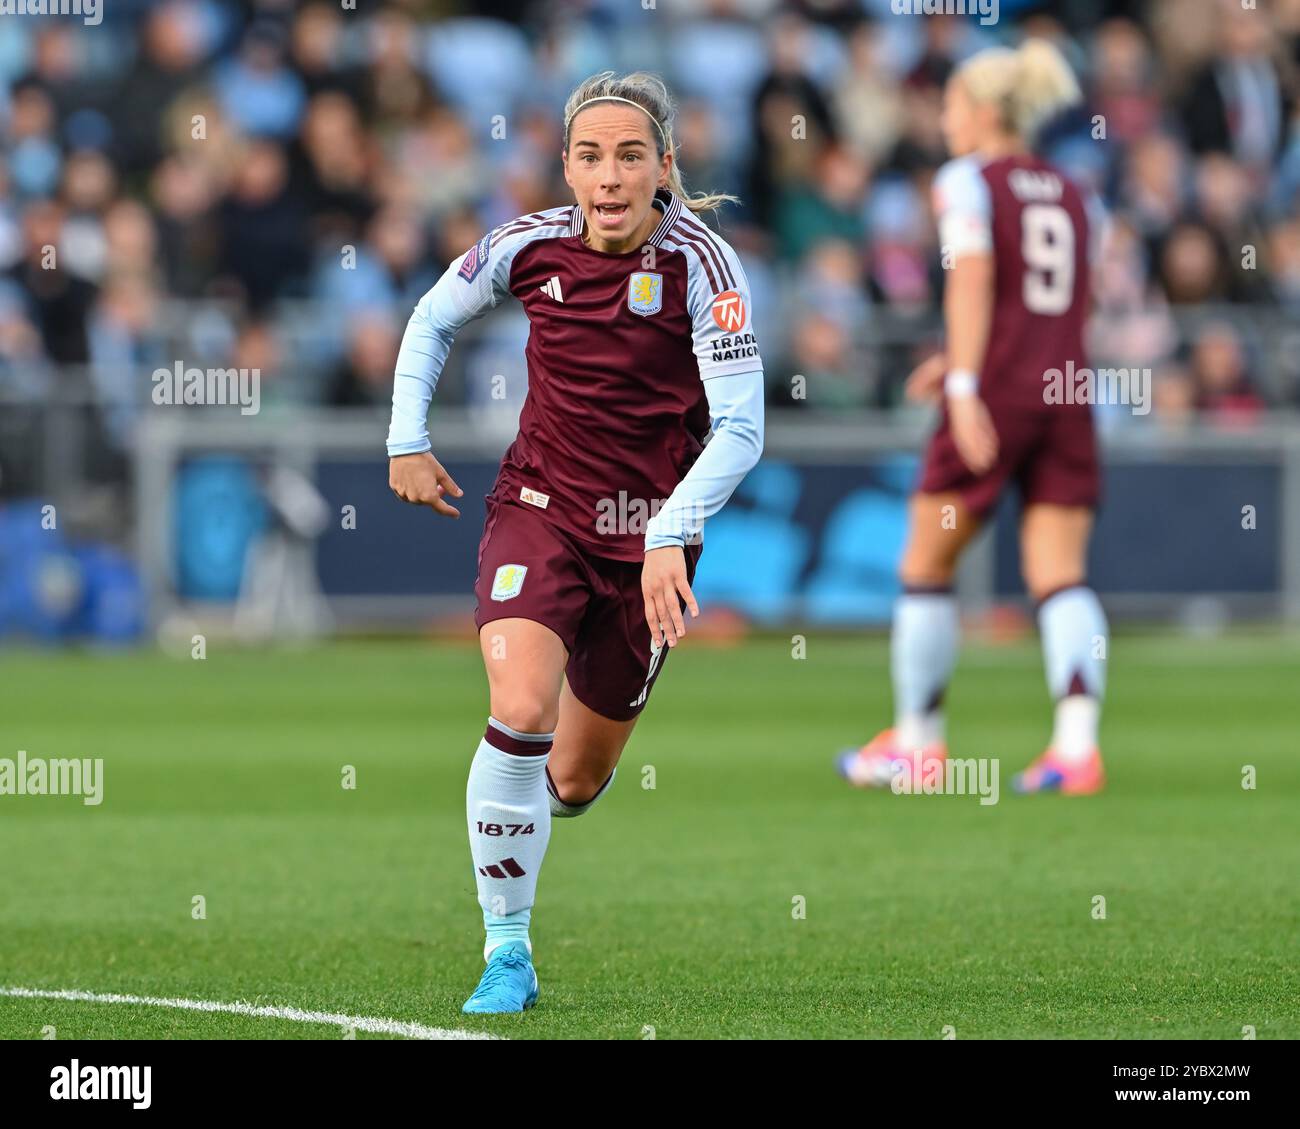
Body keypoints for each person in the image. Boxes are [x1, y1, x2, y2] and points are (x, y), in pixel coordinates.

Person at [387, 72, 765, 1012]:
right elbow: (432, 318)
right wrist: (407, 437)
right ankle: (506, 948)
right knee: (520, 708)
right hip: (540, 509)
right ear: (565, 166)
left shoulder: (706, 269)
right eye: (590, 156)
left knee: (577, 776)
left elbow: (743, 428)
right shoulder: (527, 244)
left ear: (664, 167)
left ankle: (515, 811)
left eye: (630, 155)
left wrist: (672, 531)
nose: (609, 175)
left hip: (650, 542)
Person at [836, 41, 1110, 797]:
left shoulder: (967, 180)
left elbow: (978, 275)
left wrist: (962, 379)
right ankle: (1075, 748)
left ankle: (919, 742)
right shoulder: (1076, 190)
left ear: (986, 112)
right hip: (1066, 389)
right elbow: (1063, 302)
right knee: (1059, 573)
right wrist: (961, 356)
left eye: (953, 104)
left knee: (925, 562)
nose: (945, 117)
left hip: (995, 394)